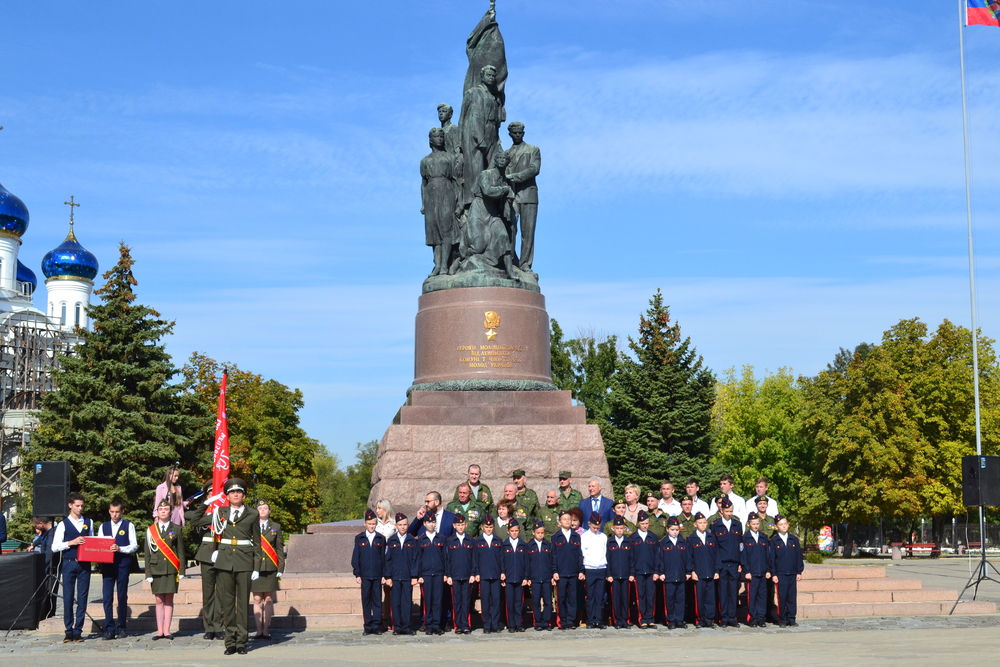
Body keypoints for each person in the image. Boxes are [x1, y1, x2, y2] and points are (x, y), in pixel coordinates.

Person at [212, 478, 261, 655]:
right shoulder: (220, 511)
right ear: (227, 495)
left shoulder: (253, 513)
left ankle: (242, 641)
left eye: (239, 492)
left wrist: (257, 566)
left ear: (244, 495)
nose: (235, 494)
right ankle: (230, 641)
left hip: (244, 560)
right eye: (232, 492)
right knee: (227, 603)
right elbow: (203, 524)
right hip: (225, 560)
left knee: (242, 603)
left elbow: (257, 541)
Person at [51, 491, 92, 643]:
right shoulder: (63, 524)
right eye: (77, 506)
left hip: (84, 563)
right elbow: (55, 547)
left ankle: (78, 630)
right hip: (68, 562)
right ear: (70, 506)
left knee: (82, 597)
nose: (80, 508)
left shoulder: (89, 522)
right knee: (68, 597)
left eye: (82, 506)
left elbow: (91, 541)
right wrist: (71, 542)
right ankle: (68, 630)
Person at [184, 482, 222, 640]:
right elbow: (185, 515)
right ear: (206, 495)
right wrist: (185, 504)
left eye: (216, 492)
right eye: (210, 493)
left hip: (224, 552)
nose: (212, 494)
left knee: (221, 593)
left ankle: (219, 626)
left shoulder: (226, 510)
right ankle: (209, 627)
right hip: (207, 553)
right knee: (208, 593)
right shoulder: (203, 511)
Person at [421, 127, 460, 277]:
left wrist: (458, 202)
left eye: (441, 136)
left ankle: (445, 265)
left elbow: (456, 181)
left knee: (446, 229)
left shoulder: (450, 158)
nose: (439, 139)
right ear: (430, 140)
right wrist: (424, 203)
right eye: (436, 137)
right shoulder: (425, 161)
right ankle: (437, 265)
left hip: (446, 192)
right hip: (431, 195)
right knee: (433, 232)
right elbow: (423, 183)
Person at [504, 121, 541, 273]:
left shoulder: (533, 150)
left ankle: (525, 264)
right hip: (512, 196)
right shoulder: (505, 154)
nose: (518, 135)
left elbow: (534, 169)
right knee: (509, 229)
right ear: (510, 134)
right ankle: (512, 260)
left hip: (528, 194)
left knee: (528, 232)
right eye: (515, 133)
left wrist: (513, 177)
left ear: (523, 133)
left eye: (520, 133)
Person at [98, 500, 137, 640]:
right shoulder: (104, 526)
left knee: (121, 595)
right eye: (112, 512)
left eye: (117, 512)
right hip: (108, 565)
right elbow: (99, 544)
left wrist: (121, 549)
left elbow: (134, 545)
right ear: (109, 511)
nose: (114, 515)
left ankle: (121, 627)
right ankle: (109, 628)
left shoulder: (128, 525)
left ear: (122, 512)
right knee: (107, 597)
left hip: (122, 564)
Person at [146, 500, 184, 640]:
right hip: (156, 569)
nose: (163, 511)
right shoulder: (151, 530)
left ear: (170, 512)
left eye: (166, 509)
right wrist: (148, 572)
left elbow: (180, 551)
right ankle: (159, 630)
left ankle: (167, 630)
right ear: (157, 512)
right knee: (158, 600)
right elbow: (148, 552)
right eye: (160, 509)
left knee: (169, 599)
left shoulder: (177, 529)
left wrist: (182, 570)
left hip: (171, 568)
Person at [253, 499, 284, 640]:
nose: (263, 510)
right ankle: (258, 630)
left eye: (265, 508)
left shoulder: (276, 527)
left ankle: (266, 630)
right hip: (256, 567)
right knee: (257, 598)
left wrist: (280, 567)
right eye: (260, 508)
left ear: (269, 511)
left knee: (269, 599)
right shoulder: (251, 526)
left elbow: (279, 548)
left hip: (271, 567)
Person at [711, 497, 743, 627]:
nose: (729, 513)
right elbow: (714, 547)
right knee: (723, 592)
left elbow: (740, 545)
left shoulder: (737, 524)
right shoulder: (715, 525)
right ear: (722, 510)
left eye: (731, 511)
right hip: (722, 563)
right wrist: (717, 566)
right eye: (727, 511)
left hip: (734, 563)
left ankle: (732, 617)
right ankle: (724, 618)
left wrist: (741, 563)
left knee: (733, 591)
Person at [384, 513, 419, 635]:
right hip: (395, 576)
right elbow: (387, 560)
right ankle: (397, 626)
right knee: (396, 602)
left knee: (406, 602)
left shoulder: (412, 541)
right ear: (396, 525)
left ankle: (407, 626)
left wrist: (414, 576)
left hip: (407, 576)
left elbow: (416, 560)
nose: (403, 527)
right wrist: (388, 576)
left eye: (405, 525)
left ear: (408, 525)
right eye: (400, 525)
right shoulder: (391, 540)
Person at [352, 509, 385, 636]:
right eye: (370, 524)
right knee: (366, 600)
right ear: (365, 523)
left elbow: (383, 557)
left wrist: (384, 574)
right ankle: (367, 625)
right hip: (365, 575)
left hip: (377, 575)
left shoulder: (380, 538)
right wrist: (357, 573)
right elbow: (356, 557)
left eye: (374, 524)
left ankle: (376, 625)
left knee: (377, 600)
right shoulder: (359, 538)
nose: (372, 526)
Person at [655, 517, 692, 629]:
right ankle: (670, 620)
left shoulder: (683, 542)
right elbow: (659, 559)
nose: (675, 532)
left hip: (681, 575)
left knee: (680, 599)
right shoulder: (663, 543)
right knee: (669, 599)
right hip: (668, 576)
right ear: (667, 529)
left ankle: (679, 620)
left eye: (676, 529)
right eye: (672, 529)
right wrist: (661, 572)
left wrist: (688, 571)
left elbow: (688, 558)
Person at [551, 510, 584, 629]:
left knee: (572, 598)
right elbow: (553, 555)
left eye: (569, 519)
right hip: (561, 573)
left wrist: (581, 570)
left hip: (574, 572)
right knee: (562, 598)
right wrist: (554, 571)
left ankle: (571, 620)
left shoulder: (576, 536)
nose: (567, 521)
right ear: (559, 522)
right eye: (564, 519)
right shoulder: (556, 537)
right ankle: (562, 621)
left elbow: (580, 555)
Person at [769, 515, 804, 628]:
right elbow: (772, 559)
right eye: (781, 524)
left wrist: (799, 571)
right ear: (776, 526)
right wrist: (773, 573)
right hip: (781, 573)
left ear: (788, 525)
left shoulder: (793, 539)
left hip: (792, 572)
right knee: (782, 597)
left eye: (785, 524)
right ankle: (783, 619)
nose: (783, 526)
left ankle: (792, 618)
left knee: (791, 597)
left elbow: (798, 556)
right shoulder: (774, 541)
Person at [687, 512, 720, 628]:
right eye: (700, 523)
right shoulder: (691, 538)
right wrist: (692, 571)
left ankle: (709, 619)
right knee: (699, 598)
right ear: (695, 524)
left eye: (704, 522)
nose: (702, 525)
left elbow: (716, 555)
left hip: (710, 572)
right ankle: (700, 619)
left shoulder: (711, 537)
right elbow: (689, 557)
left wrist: (716, 571)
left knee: (710, 598)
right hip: (699, 573)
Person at [444, 513, 475, 633]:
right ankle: (457, 625)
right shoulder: (450, 541)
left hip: (467, 576)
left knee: (466, 601)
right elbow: (447, 559)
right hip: (455, 576)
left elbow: (474, 559)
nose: (461, 527)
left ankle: (466, 624)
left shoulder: (470, 540)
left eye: (462, 524)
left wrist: (473, 573)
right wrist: (448, 575)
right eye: (458, 525)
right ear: (454, 525)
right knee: (456, 601)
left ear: (466, 525)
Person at [473, 514, 504, 634]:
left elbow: (501, 558)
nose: (489, 529)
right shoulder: (478, 541)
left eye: (491, 527)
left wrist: (502, 572)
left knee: (496, 601)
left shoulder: (498, 540)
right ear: (482, 527)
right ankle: (486, 624)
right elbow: (475, 559)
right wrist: (476, 573)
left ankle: (495, 624)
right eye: (486, 527)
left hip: (496, 575)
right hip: (484, 575)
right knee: (485, 601)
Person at [417, 513, 447, 635]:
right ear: (424, 524)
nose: (431, 524)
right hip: (426, 575)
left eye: (433, 522)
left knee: (438, 600)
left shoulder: (441, 538)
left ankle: (437, 624)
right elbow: (418, 559)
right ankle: (428, 625)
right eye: (429, 522)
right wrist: (419, 575)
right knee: (427, 600)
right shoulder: (421, 539)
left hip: (439, 573)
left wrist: (446, 573)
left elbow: (446, 557)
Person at [742, 512, 771, 627]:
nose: (756, 526)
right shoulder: (745, 538)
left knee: (762, 596)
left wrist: (768, 570)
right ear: (749, 524)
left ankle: (761, 618)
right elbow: (743, 556)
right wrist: (747, 571)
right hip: (752, 573)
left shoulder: (764, 537)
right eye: (753, 524)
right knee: (752, 596)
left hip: (763, 572)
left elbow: (767, 556)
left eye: (757, 523)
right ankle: (752, 618)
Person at [630, 511, 658, 628]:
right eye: (642, 523)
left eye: (646, 523)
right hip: (639, 571)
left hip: (651, 571)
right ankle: (642, 619)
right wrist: (632, 572)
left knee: (650, 595)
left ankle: (650, 618)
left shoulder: (653, 536)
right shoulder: (633, 538)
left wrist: (657, 571)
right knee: (640, 596)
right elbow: (631, 557)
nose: (645, 525)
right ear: (638, 523)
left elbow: (657, 556)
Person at [525, 519, 554, 631]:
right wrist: (528, 577)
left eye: (542, 533)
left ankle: (546, 622)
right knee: (536, 601)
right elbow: (527, 563)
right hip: (535, 578)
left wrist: (552, 575)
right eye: (538, 533)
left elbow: (552, 561)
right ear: (533, 533)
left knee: (548, 601)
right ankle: (537, 622)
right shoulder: (530, 546)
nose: (540, 535)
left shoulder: (548, 545)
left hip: (546, 578)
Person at [580, 512, 608, 629]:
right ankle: (591, 619)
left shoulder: (603, 537)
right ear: (589, 524)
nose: (596, 529)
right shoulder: (584, 537)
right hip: (590, 568)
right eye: (593, 527)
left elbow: (605, 553)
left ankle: (599, 619)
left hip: (601, 568)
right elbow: (582, 554)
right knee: (591, 596)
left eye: (598, 527)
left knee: (600, 596)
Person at [605, 516, 633, 629]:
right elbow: (607, 559)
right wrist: (609, 574)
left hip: (626, 575)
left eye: (621, 528)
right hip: (615, 576)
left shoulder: (628, 541)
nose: (619, 530)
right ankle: (617, 620)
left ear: (625, 529)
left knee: (625, 598)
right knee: (616, 599)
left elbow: (632, 559)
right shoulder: (610, 542)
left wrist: (632, 573)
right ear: (613, 529)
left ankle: (625, 620)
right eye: (617, 528)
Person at [500, 519, 528, 633]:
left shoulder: (523, 545)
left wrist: (526, 577)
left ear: (519, 531)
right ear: (508, 531)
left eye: (516, 531)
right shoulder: (504, 544)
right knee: (509, 602)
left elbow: (526, 563)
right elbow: (502, 561)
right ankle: (511, 623)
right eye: (512, 531)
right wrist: (502, 574)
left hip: (520, 578)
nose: (514, 533)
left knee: (519, 602)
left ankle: (519, 623)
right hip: (509, 578)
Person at [29, 517, 57, 619]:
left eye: (36, 526)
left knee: (50, 590)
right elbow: (41, 539)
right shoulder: (46, 532)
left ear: (41, 524)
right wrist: (33, 544)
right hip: (45, 566)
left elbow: (50, 551)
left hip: (50, 567)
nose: (36, 528)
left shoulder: (52, 533)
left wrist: (43, 565)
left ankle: (49, 613)